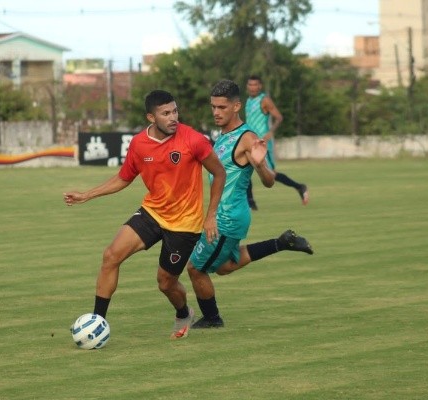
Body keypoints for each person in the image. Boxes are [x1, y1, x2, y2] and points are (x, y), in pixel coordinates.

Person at [63, 90, 226, 339]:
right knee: (111, 256)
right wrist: (87, 195)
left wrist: (211, 215)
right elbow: (124, 178)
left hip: (184, 224)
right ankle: (97, 323)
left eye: (175, 111)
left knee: (165, 283)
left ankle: (183, 313)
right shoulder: (139, 143)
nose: (173, 117)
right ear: (151, 117)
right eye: (166, 113)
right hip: (153, 212)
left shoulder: (193, 140)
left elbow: (219, 172)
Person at [187, 79, 313, 329]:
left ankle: (212, 318)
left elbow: (268, 181)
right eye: (213, 107)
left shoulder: (247, 138)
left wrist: (260, 163)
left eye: (222, 107)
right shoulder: (223, 135)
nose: (216, 112)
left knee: (195, 269)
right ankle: (282, 242)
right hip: (229, 215)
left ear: (236, 106)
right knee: (224, 266)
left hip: (227, 218)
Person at [245, 74, 309, 210]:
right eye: (250, 84)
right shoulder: (248, 101)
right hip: (250, 142)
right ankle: (251, 203)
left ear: (260, 86)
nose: (252, 87)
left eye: (255, 85)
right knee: (244, 169)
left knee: (271, 174)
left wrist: (270, 132)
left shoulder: (264, 100)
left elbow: (279, 117)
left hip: (262, 143)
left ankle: (299, 187)